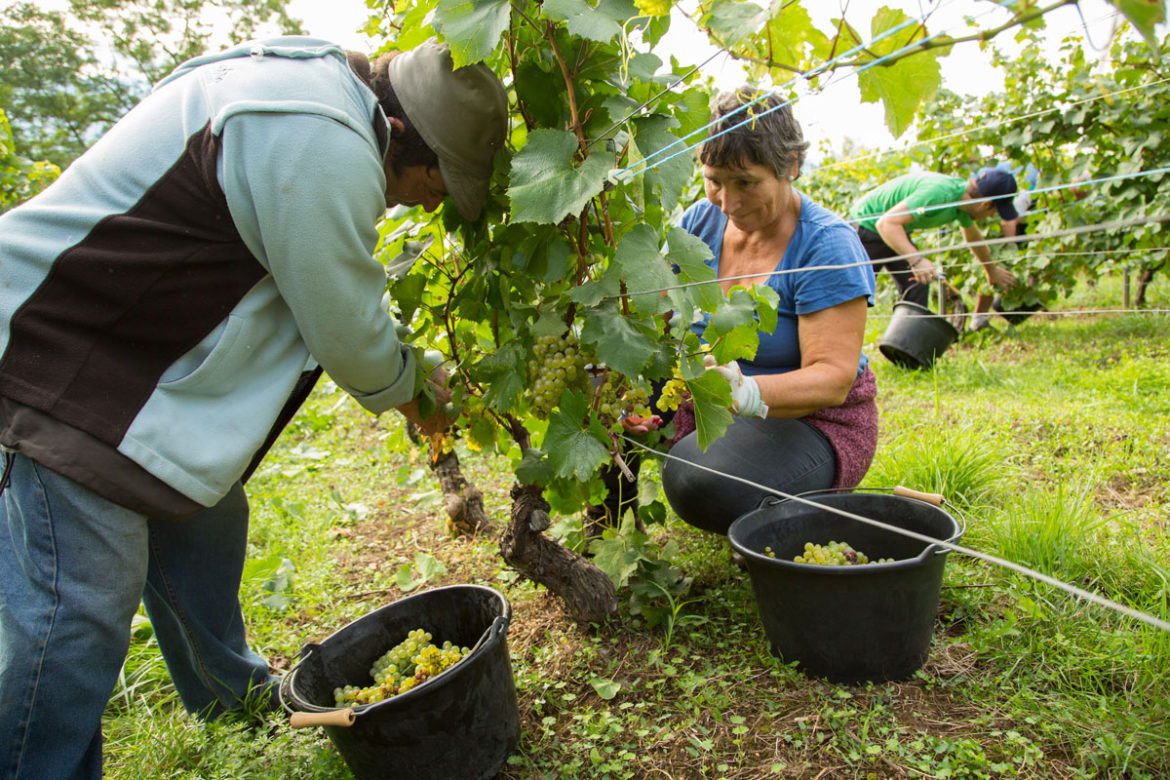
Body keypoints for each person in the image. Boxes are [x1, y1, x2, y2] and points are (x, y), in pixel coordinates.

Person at [0, 36, 508, 779]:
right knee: (75, 616)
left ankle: (227, 696)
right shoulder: (320, 136)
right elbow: (343, 325)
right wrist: (411, 390)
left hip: (136, 365)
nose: (435, 200)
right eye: (441, 180)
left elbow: (311, 290)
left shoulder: (314, 101)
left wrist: (416, 372)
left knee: (204, 522)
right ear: (405, 137)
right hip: (67, 364)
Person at [595, 88, 879, 538]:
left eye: (745, 182)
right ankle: (610, 535)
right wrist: (642, 400)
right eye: (713, 180)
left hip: (811, 421)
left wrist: (747, 392)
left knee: (698, 481)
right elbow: (665, 326)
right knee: (597, 396)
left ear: (791, 167)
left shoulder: (827, 244)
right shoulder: (698, 225)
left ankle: (800, 506)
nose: (726, 202)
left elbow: (834, 377)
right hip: (708, 398)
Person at [850, 168, 1020, 314]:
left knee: (918, 284)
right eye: (995, 211)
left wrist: (991, 270)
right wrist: (917, 260)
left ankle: (906, 348)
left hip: (895, 229)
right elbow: (886, 223)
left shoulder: (961, 204)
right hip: (867, 226)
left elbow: (973, 237)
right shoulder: (940, 193)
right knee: (857, 295)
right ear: (985, 204)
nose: (992, 217)